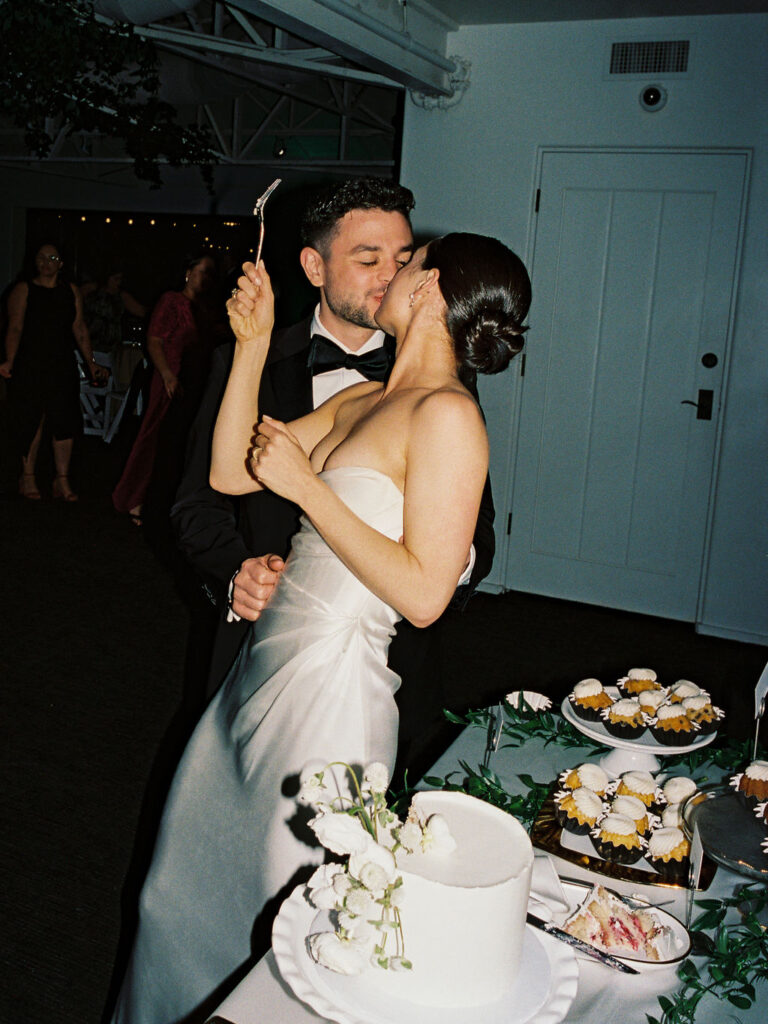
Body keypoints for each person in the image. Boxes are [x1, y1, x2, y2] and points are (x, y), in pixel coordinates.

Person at [109, 231, 531, 1024]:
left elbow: (426, 595)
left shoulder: (449, 416)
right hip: (261, 671)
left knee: (289, 911)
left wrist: (312, 491)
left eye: (404, 262)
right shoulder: (360, 400)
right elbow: (236, 469)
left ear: (431, 288)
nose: (389, 272)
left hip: (334, 692)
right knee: (181, 894)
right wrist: (253, 345)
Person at [171, 178, 495, 767]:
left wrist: (442, 561)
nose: (389, 277)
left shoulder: (446, 395)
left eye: (401, 260)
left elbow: (477, 530)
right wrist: (234, 573)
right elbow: (206, 494)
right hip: (266, 640)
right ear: (313, 266)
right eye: (368, 259)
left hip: (382, 658)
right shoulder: (273, 367)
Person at [112, 252, 215, 525]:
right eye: (201, 271)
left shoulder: (204, 308)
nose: (205, 277)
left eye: (209, 273)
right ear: (188, 272)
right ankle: (133, 498)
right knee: (154, 435)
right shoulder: (171, 301)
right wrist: (167, 374)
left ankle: (165, 502)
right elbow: (154, 340)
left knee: (182, 442)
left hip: (193, 380)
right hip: (169, 377)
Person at [0, 241, 107, 501]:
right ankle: (27, 478)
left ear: (61, 263)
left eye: (51, 257)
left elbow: (79, 327)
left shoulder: (70, 291)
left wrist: (91, 362)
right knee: (32, 418)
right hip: (30, 363)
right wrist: (9, 360)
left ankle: (62, 480)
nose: (44, 262)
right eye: (40, 257)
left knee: (65, 419)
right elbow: (14, 328)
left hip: (61, 363)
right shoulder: (24, 290)